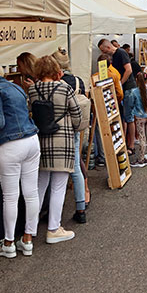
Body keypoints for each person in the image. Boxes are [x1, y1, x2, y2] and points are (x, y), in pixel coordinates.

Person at [0, 61, 41, 258]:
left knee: (11, 196)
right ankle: (28, 240)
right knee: (31, 193)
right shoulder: (17, 86)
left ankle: (9, 243)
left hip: (10, 146)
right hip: (31, 140)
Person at [27, 56, 82, 244]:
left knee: (39, 186)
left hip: (41, 141)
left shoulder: (32, 89)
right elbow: (77, 115)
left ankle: (30, 230)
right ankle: (53, 229)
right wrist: (73, 126)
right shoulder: (64, 88)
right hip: (62, 140)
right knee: (59, 186)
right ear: (55, 70)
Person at [52, 48, 89, 221]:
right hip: (76, 126)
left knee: (56, 170)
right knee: (75, 166)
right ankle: (81, 206)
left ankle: (52, 212)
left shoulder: (56, 83)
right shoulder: (77, 80)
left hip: (59, 128)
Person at [98, 39, 136, 155]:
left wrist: (120, 83)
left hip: (128, 88)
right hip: (123, 89)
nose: (103, 53)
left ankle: (131, 146)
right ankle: (123, 142)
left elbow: (128, 70)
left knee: (128, 117)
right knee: (123, 117)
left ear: (108, 48)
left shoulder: (121, 53)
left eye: (103, 50)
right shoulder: (113, 56)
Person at [130, 72, 147, 167]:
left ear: (137, 80)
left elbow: (131, 104)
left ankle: (141, 159)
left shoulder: (134, 92)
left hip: (139, 117)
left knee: (142, 137)